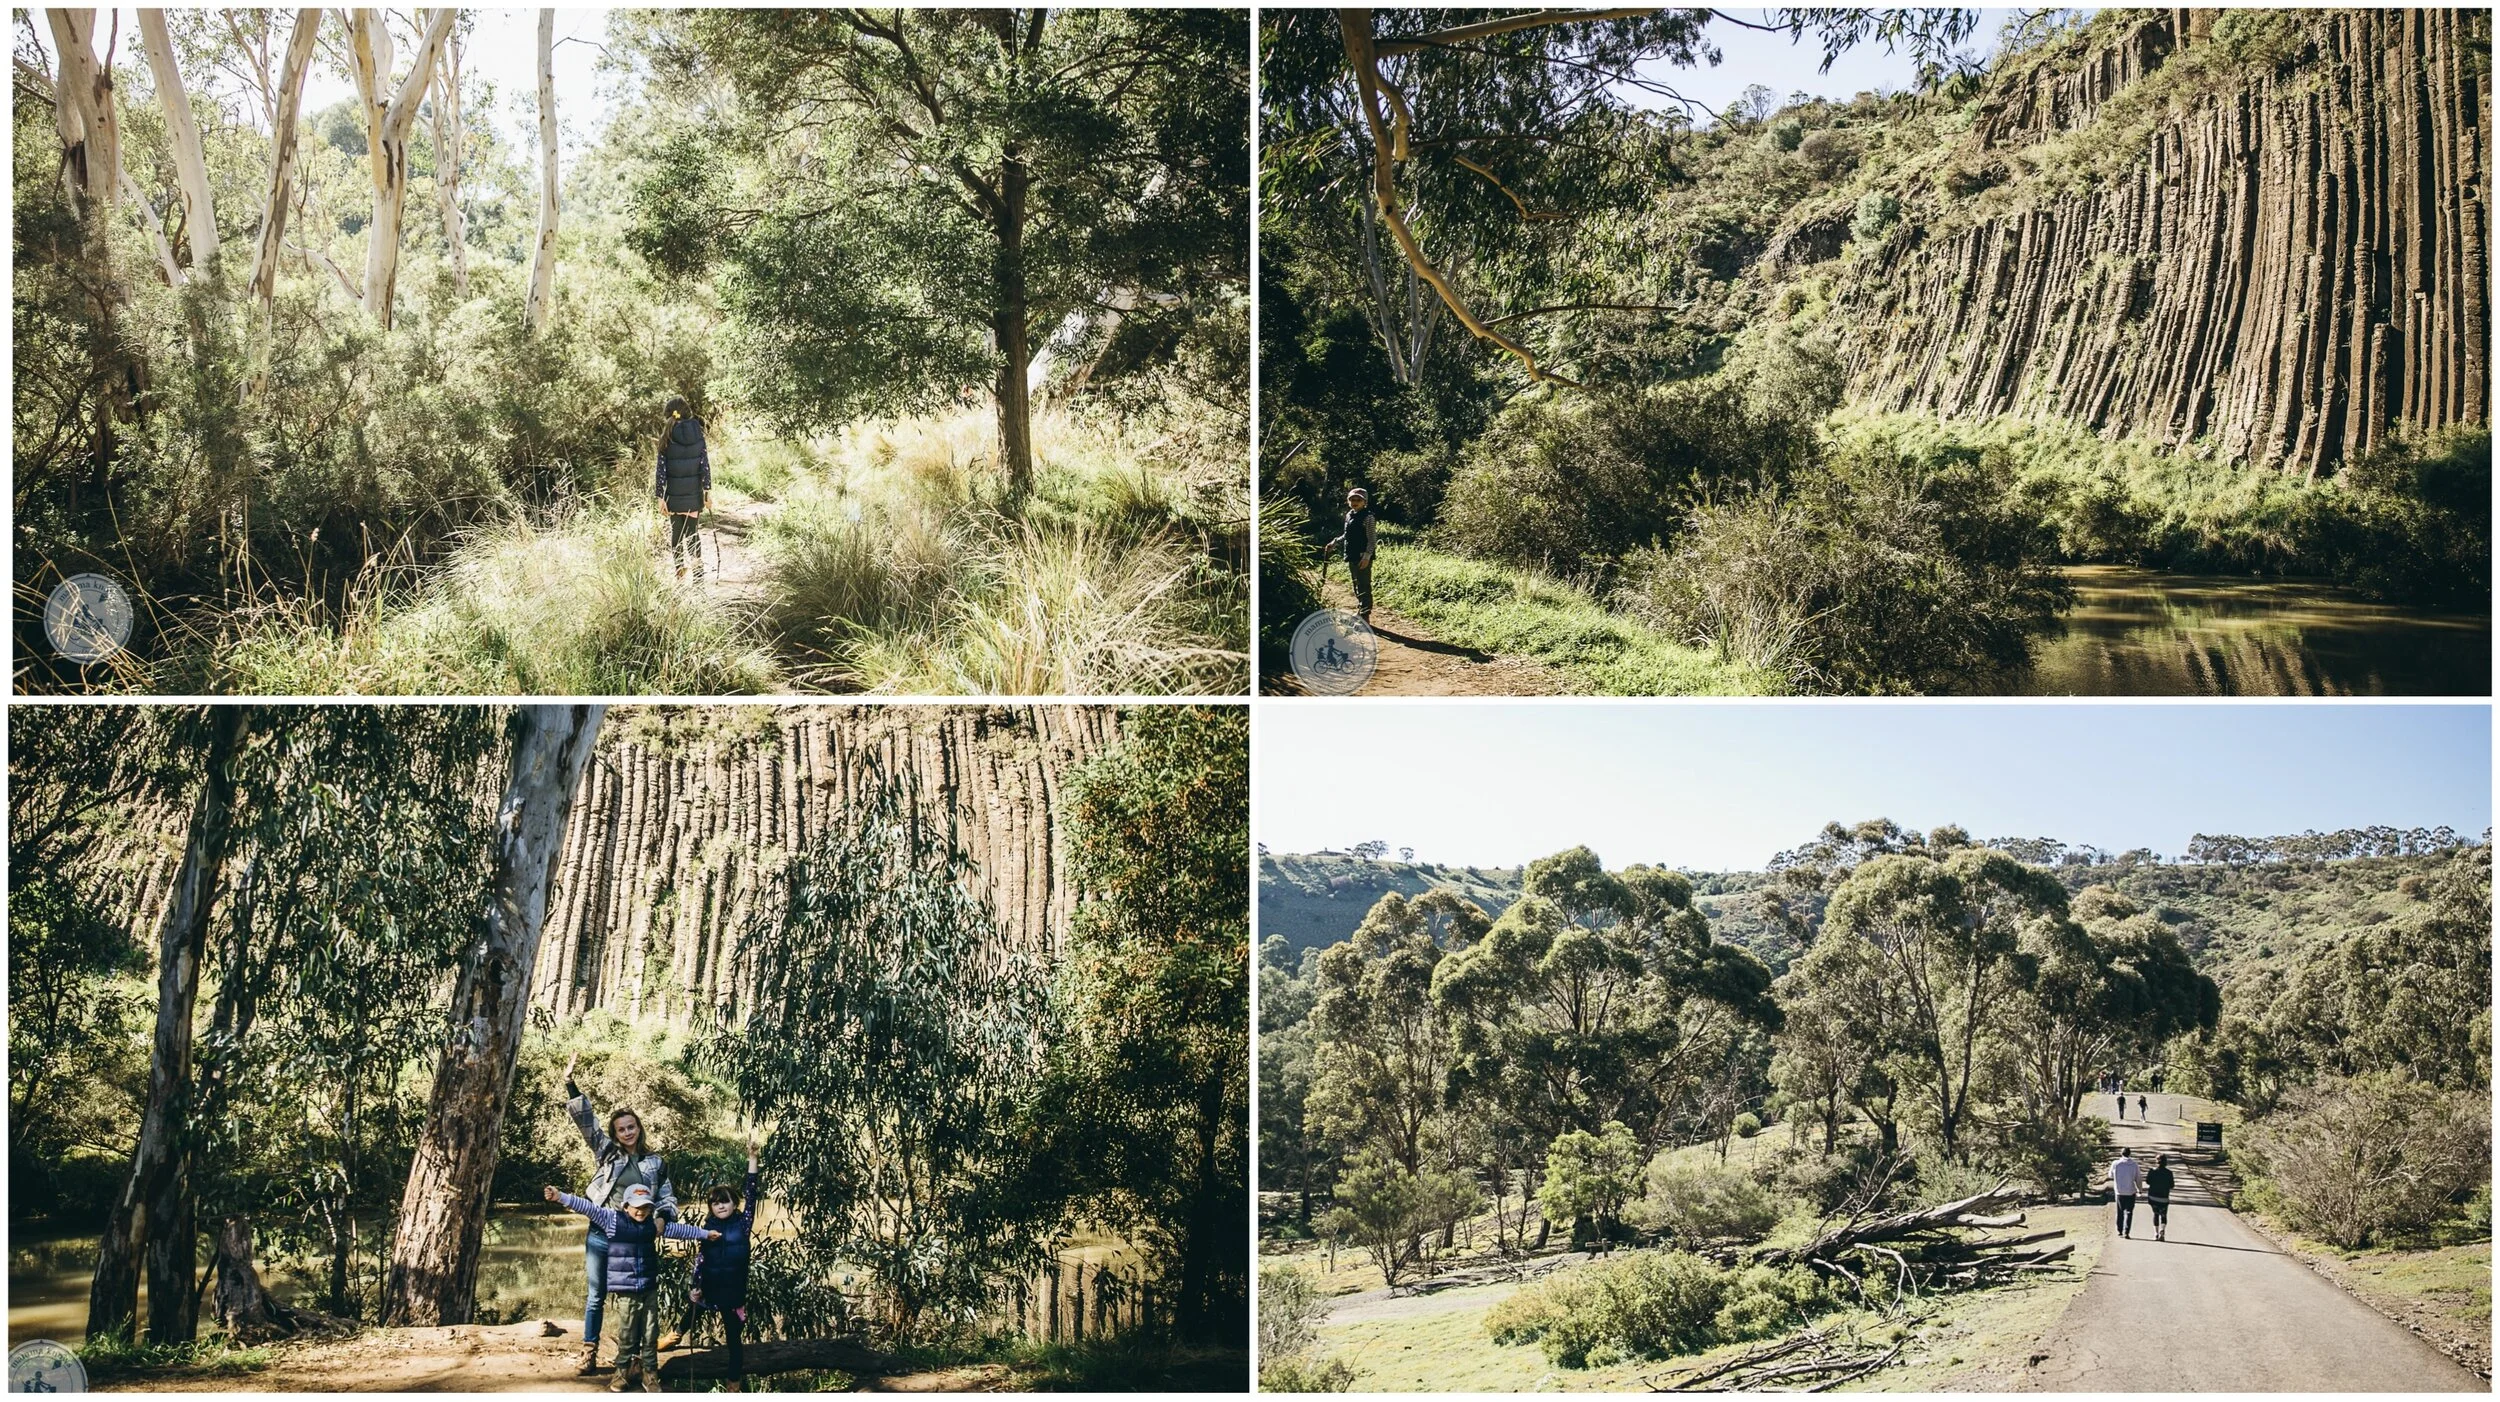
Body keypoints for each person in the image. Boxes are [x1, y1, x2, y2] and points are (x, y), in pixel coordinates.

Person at [564, 1053, 680, 1375]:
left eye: (631, 1127)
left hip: (634, 1240)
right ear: (615, 1135)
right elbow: (587, 1123)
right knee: (596, 1295)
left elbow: (668, 1198)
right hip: (602, 1234)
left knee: (635, 1300)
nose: (627, 1132)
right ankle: (589, 1351)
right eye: (621, 1129)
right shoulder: (607, 1153)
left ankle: (634, 1359)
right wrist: (570, 1083)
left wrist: (663, 1218)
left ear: (639, 1128)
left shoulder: (655, 1163)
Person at [547, 1181, 716, 1392]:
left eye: (646, 1206)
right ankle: (622, 1371)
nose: (641, 1211)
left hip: (649, 1288)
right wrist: (560, 1196)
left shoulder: (652, 1226)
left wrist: (705, 1234)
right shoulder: (612, 1220)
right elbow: (587, 1207)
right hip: (626, 1291)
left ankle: (650, 1373)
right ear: (625, 1206)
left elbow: (679, 1230)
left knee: (650, 1333)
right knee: (627, 1333)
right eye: (636, 1206)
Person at [689, 1129, 764, 1392]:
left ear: (734, 1204)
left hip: (733, 1292)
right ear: (710, 1207)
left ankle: (734, 1382)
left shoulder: (742, 1224)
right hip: (709, 1287)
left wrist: (752, 1159)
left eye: (725, 1202)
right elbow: (701, 1259)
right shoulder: (707, 1228)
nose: (720, 1206)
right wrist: (695, 1285)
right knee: (690, 1312)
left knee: (733, 1338)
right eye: (715, 1203)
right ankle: (672, 1337)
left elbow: (752, 1192)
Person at [656, 396, 712, 581]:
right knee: (692, 533)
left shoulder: (666, 436)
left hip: (673, 496)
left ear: (669, 414)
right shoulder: (698, 433)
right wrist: (707, 491)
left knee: (677, 535)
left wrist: (660, 497)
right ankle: (698, 575)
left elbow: (661, 470)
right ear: (687, 412)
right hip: (693, 496)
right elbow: (705, 465)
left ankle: (680, 574)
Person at [1324, 486, 1378, 622]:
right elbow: (1347, 535)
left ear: (1365, 502)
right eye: (1352, 499)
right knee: (1356, 583)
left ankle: (1365, 615)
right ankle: (1361, 610)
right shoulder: (1349, 515)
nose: (1355, 502)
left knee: (1364, 584)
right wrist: (1334, 542)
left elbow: (1372, 540)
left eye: (1358, 500)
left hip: (1362, 556)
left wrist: (1367, 556)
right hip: (1351, 554)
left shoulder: (1368, 517)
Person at [2110, 1147, 2143, 1238]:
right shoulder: (2134, 1164)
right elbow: (2138, 1178)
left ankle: (2119, 1230)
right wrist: (2140, 1189)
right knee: (2129, 1212)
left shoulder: (2116, 1163)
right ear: (2130, 1154)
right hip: (2130, 1191)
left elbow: (2110, 1175)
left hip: (2119, 1191)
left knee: (2120, 1211)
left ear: (2121, 1154)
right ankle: (2126, 1231)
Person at [2146, 1153, 2176, 1242]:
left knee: (2155, 1214)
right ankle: (2162, 1230)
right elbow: (2172, 1185)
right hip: (2164, 1198)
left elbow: (2148, 1181)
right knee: (2163, 1215)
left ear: (2157, 1161)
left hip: (2153, 1197)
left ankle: (2156, 1233)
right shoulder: (2169, 1173)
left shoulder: (2152, 1171)